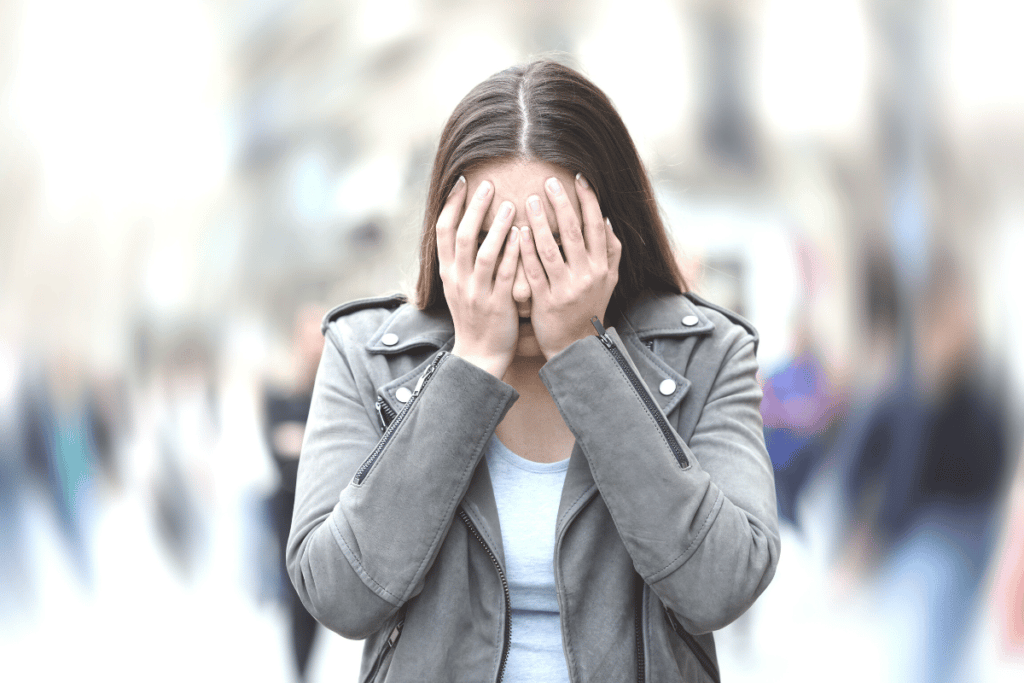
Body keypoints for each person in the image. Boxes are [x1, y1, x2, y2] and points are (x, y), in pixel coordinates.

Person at [287, 60, 779, 683]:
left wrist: (583, 352)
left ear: (611, 230)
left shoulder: (710, 354)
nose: (521, 278)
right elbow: (338, 594)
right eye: (490, 239)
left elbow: (720, 587)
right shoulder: (364, 352)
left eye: (553, 238)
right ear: (446, 235)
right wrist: (468, 368)